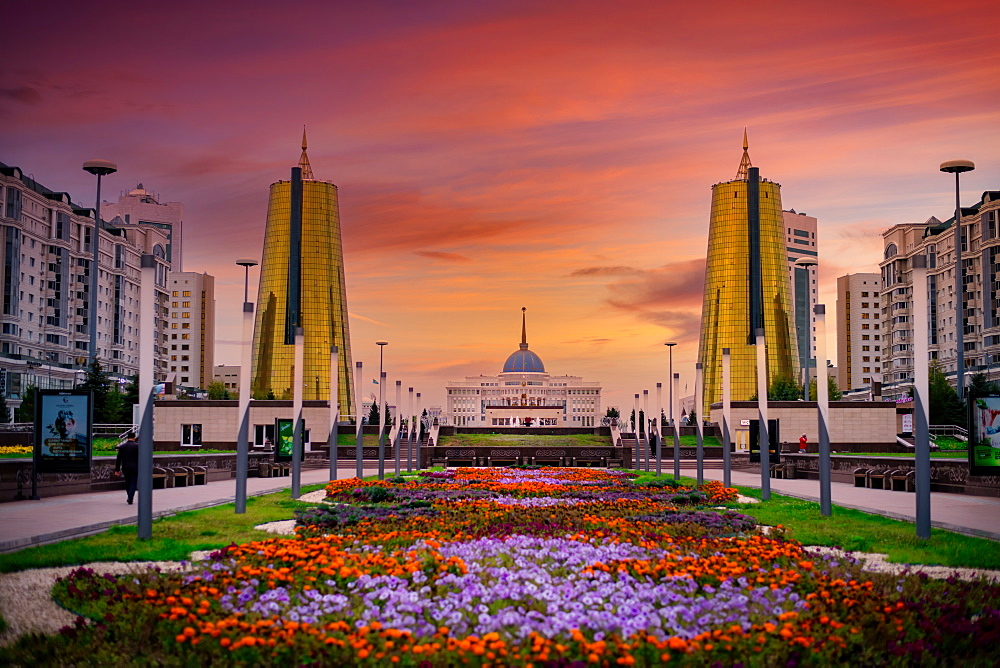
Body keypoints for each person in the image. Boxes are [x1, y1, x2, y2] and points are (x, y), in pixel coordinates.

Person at [115, 437, 140, 505]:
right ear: (134, 438)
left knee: (127, 482)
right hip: (135, 467)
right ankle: (130, 497)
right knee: (133, 482)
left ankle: (129, 494)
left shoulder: (122, 446)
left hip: (125, 467)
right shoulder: (137, 446)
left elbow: (118, 459)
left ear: (127, 438)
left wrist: (117, 469)